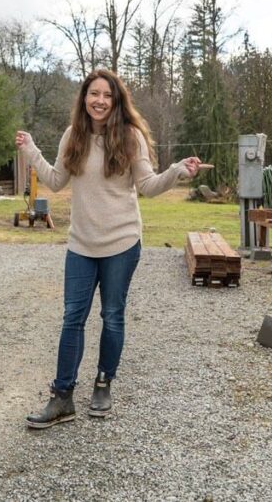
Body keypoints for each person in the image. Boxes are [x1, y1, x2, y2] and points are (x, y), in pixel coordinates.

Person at [16, 69, 203, 429]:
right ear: (84, 98)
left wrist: (177, 170)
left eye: (107, 95)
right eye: (93, 94)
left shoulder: (131, 136)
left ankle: (104, 383)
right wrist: (31, 151)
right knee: (73, 318)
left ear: (116, 101)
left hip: (121, 243)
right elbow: (56, 181)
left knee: (112, 315)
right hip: (81, 245)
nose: (99, 100)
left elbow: (147, 186)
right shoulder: (74, 135)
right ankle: (62, 397)